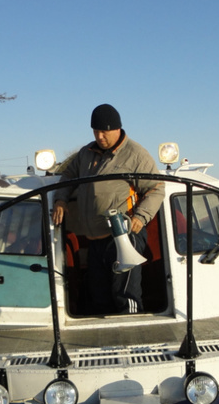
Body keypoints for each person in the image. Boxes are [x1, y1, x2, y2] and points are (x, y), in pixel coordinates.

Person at [52, 104, 165, 314]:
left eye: (104, 131)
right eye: (95, 131)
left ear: (117, 129)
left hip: (123, 237)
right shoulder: (86, 153)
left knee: (126, 296)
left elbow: (156, 188)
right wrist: (60, 199)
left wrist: (141, 216)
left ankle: (132, 338)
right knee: (99, 296)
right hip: (95, 241)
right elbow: (67, 176)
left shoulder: (136, 155)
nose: (100, 136)